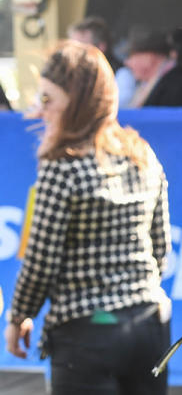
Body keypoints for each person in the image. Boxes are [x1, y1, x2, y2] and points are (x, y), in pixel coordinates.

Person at [5, 41, 171, 394]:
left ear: (77, 101)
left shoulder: (61, 165)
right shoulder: (142, 154)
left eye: (49, 99)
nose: (40, 110)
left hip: (87, 332)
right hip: (150, 324)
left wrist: (19, 316)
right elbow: (161, 252)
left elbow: (41, 261)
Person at [126, 27, 182, 107]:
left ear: (150, 56)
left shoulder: (177, 89)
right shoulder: (149, 85)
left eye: (132, 56)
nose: (127, 62)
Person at [67, 16, 137, 108]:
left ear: (100, 47)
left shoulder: (122, 75)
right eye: (70, 47)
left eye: (81, 47)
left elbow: (119, 107)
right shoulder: (66, 74)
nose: (73, 52)